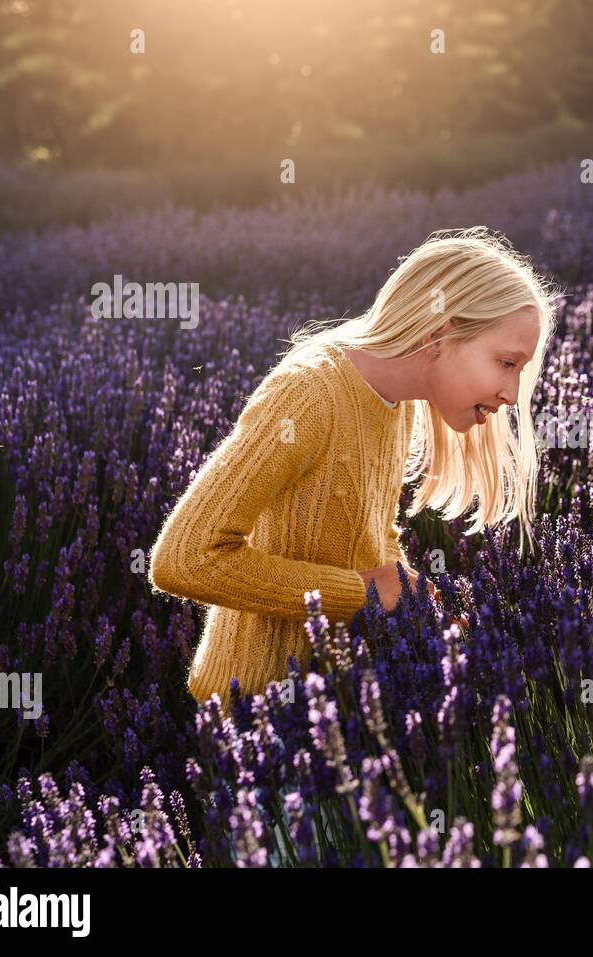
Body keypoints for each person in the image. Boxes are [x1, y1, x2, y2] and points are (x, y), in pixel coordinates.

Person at [148, 226, 560, 704]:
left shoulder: (397, 401)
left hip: (338, 701)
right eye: (507, 363)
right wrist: (360, 593)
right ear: (441, 332)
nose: (511, 394)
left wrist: (415, 605)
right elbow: (184, 558)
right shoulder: (309, 395)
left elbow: (368, 535)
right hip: (258, 704)